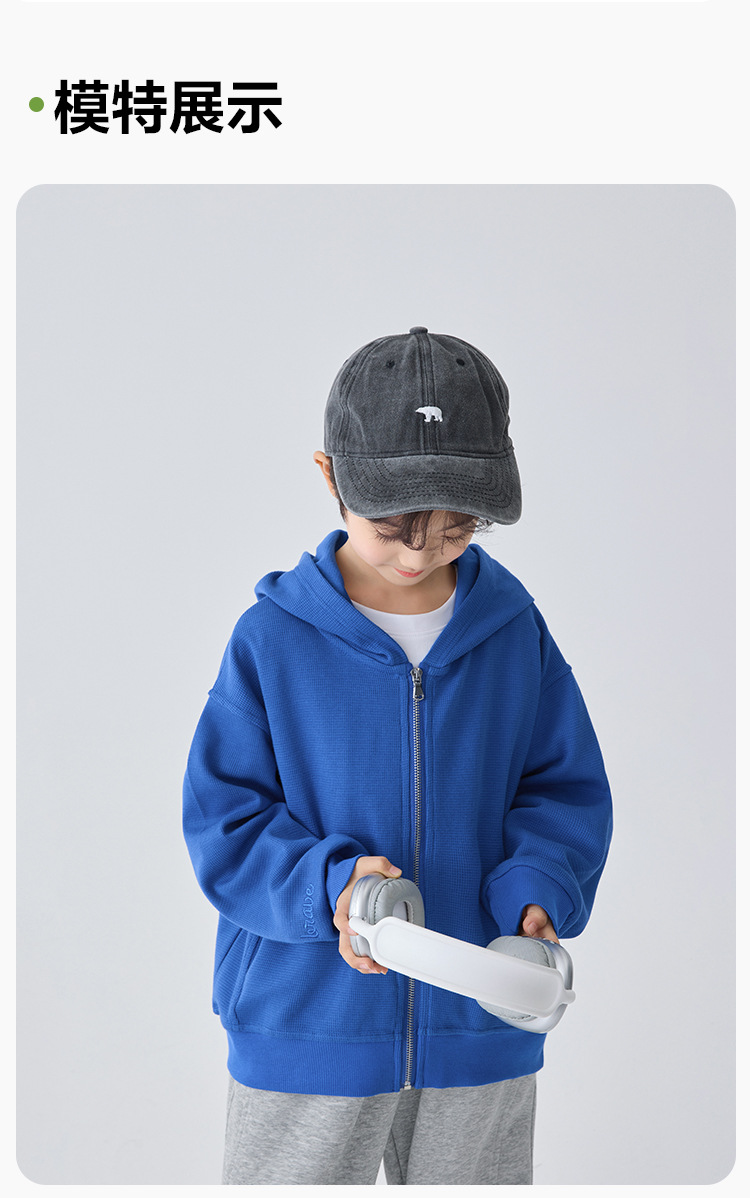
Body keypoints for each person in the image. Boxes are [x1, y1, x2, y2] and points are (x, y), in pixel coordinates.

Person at [183, 325, 613, 1184]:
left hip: (480, 1018)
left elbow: (563, 788)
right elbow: (226, 820)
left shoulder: (513, 633)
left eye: (456, 528)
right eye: (393, 527)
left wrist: (535, 889)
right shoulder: (272, 641)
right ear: (330, 477)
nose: (421, 553)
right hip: (307, 1020)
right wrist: (330, 886)